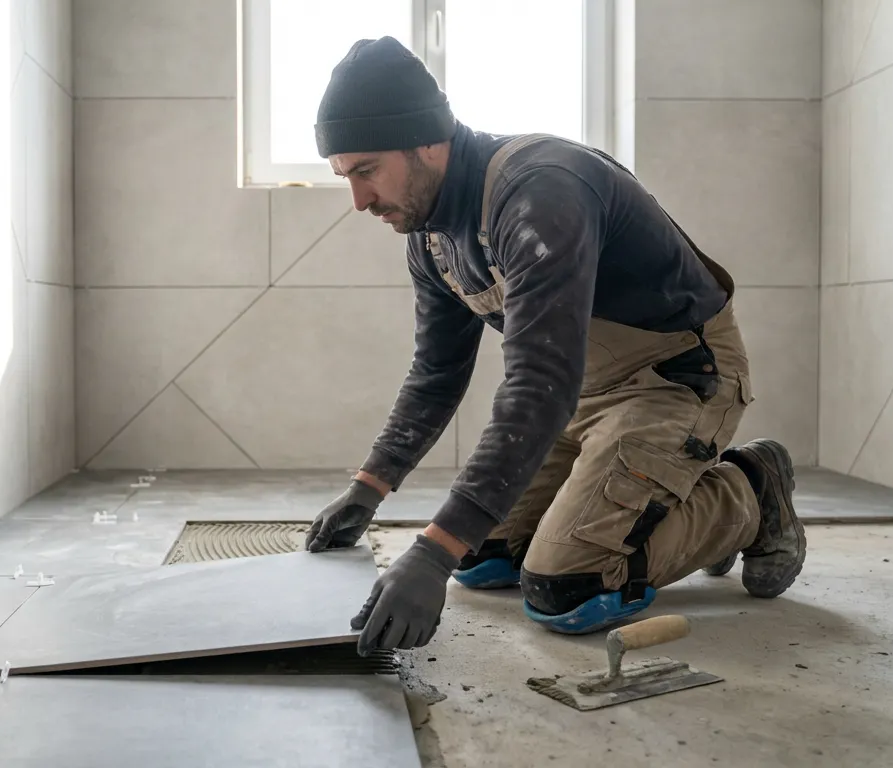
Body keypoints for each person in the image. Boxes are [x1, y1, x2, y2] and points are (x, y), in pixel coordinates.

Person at [303, 37, 806, 656]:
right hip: (583, 395)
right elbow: (437, 372)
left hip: (678, 380)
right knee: (482, 556)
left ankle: (750, 491)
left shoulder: (539, 192)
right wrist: (370, 487)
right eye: (344, 176)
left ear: (425, 142)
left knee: (567, 586)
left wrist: (429, 554)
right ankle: (649, 502)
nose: (358, 200)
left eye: (366, 171)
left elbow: (539, 381)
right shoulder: (431, 236)